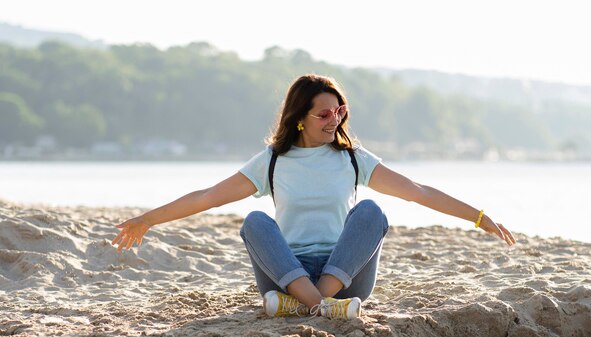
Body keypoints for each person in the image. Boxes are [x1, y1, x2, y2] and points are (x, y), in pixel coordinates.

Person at [112, 74, 516, 320]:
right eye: (323, 114)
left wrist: (478, 217)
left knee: (372, 210)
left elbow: (418, 191)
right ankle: (319, 304)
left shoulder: (354, 159)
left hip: (346, 274)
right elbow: (209, 196)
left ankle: (309, 303)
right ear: (300, 117)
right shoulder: (272, 161)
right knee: (255, 222)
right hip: (289, 272)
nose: (333, 120)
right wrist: (147, 219)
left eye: (338, 111)